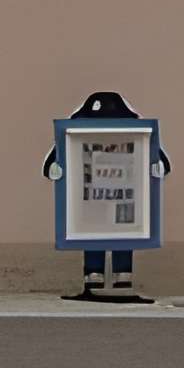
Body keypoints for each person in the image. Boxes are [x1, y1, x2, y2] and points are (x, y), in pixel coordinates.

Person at [45, 90, 169, 298]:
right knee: (93, 237)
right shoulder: (74, 135)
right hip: (93, 200)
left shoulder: (138, 135)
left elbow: (156, 155)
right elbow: (59, 156)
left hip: (122, 199)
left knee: (124, 236)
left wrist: (158, 167)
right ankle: (94, 279)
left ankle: (122, 279)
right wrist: (55, 168)